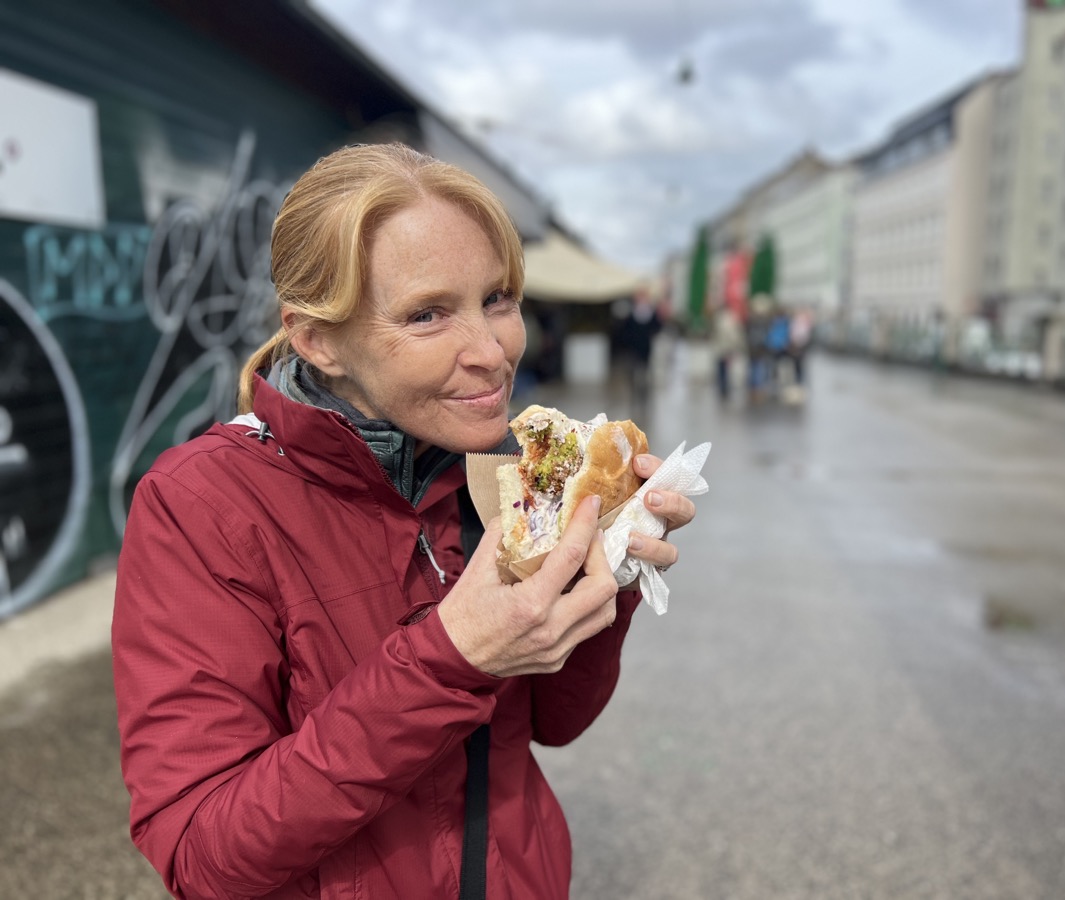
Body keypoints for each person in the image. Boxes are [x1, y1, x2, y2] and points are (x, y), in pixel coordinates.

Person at [110, 142, 697, 899]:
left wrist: (605, 565)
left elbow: (553, 720)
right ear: (318, 340)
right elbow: (201, 853)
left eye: (498, 299)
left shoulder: (507, 468)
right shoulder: (200, 504)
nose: (492, 351)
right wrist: (450, 658)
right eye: (427, 314)